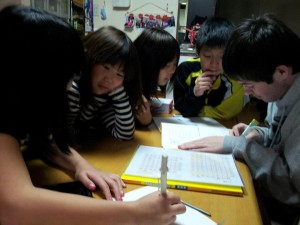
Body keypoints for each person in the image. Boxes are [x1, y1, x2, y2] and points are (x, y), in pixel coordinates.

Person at [0, 5, 185, 225]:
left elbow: (46, 140)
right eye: (67, 75)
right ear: (33, 73)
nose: (69, 86)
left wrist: (80, 165)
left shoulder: (18, 108)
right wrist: (134, 213)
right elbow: (13, 207)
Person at [178, 14, 300, 225]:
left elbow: (291, 188)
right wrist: (260, 134)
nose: (248, 92)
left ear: (281, 71)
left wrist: (239, 145)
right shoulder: (280, 90)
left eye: (250, 84)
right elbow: (278, 138)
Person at [67, 25, 143, 141]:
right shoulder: (71, 90)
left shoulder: (105, 96)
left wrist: (118, 93)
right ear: (89, 58)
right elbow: (63, 137)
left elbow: (125, 133)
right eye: (106, 67)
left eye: (120, 74)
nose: (110, 79)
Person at [173, 17, 247, 120]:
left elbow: (226, 114)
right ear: (198, 52)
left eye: (222, 57)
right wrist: (195, 93)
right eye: (208, 56)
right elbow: (179, 108)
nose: (214, 64)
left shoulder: (236, 78)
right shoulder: (186, 69)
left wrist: (195, 111)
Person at [133, 27, 180, 125]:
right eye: (167, 65)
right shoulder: (130, 90)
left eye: (175, 64)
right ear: (148, 61)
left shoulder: (143, 86)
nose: (172, 70)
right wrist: (146, 121)